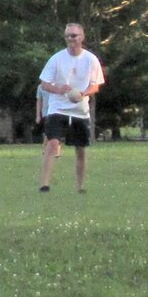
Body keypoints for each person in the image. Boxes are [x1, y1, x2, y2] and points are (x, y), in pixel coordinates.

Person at [36, 22, 106, 193]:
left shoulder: (91, 59)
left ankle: (80, 187)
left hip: (79, 110)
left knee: (80, 149)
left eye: (74, 36)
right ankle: (44, 184)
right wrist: (58, 89)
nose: (70, 39)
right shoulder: (56, 58)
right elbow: (44, 84)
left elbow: (96, 86)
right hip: (57, 108)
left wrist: (82, 94)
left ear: (82, 37)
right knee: (52, 143)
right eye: (67, 36)